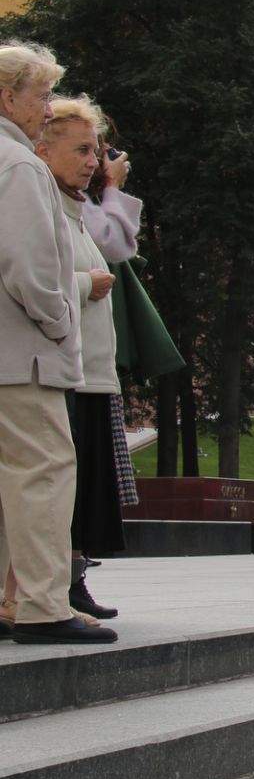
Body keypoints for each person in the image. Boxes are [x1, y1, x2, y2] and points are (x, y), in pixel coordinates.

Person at [0, 44, 110, 645]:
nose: (46, 108)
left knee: (6, 481)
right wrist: (60, 320)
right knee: (41, 473)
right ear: (6, 96)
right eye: (40, 94)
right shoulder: (18, 166)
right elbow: (32, 268)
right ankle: (44, 605)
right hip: (24, 355)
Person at [36, 97, 126, 620]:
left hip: (88, 371)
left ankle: (70, 582)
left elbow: (115, 246)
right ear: (43, 150)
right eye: (83, 150)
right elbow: (28, 281)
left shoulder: (72, 208)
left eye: (97, 151)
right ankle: (43, 593)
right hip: (60, 371)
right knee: (53, 492)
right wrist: (83, 284)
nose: (94, 160)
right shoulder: (38, 200)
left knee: (79, 490)